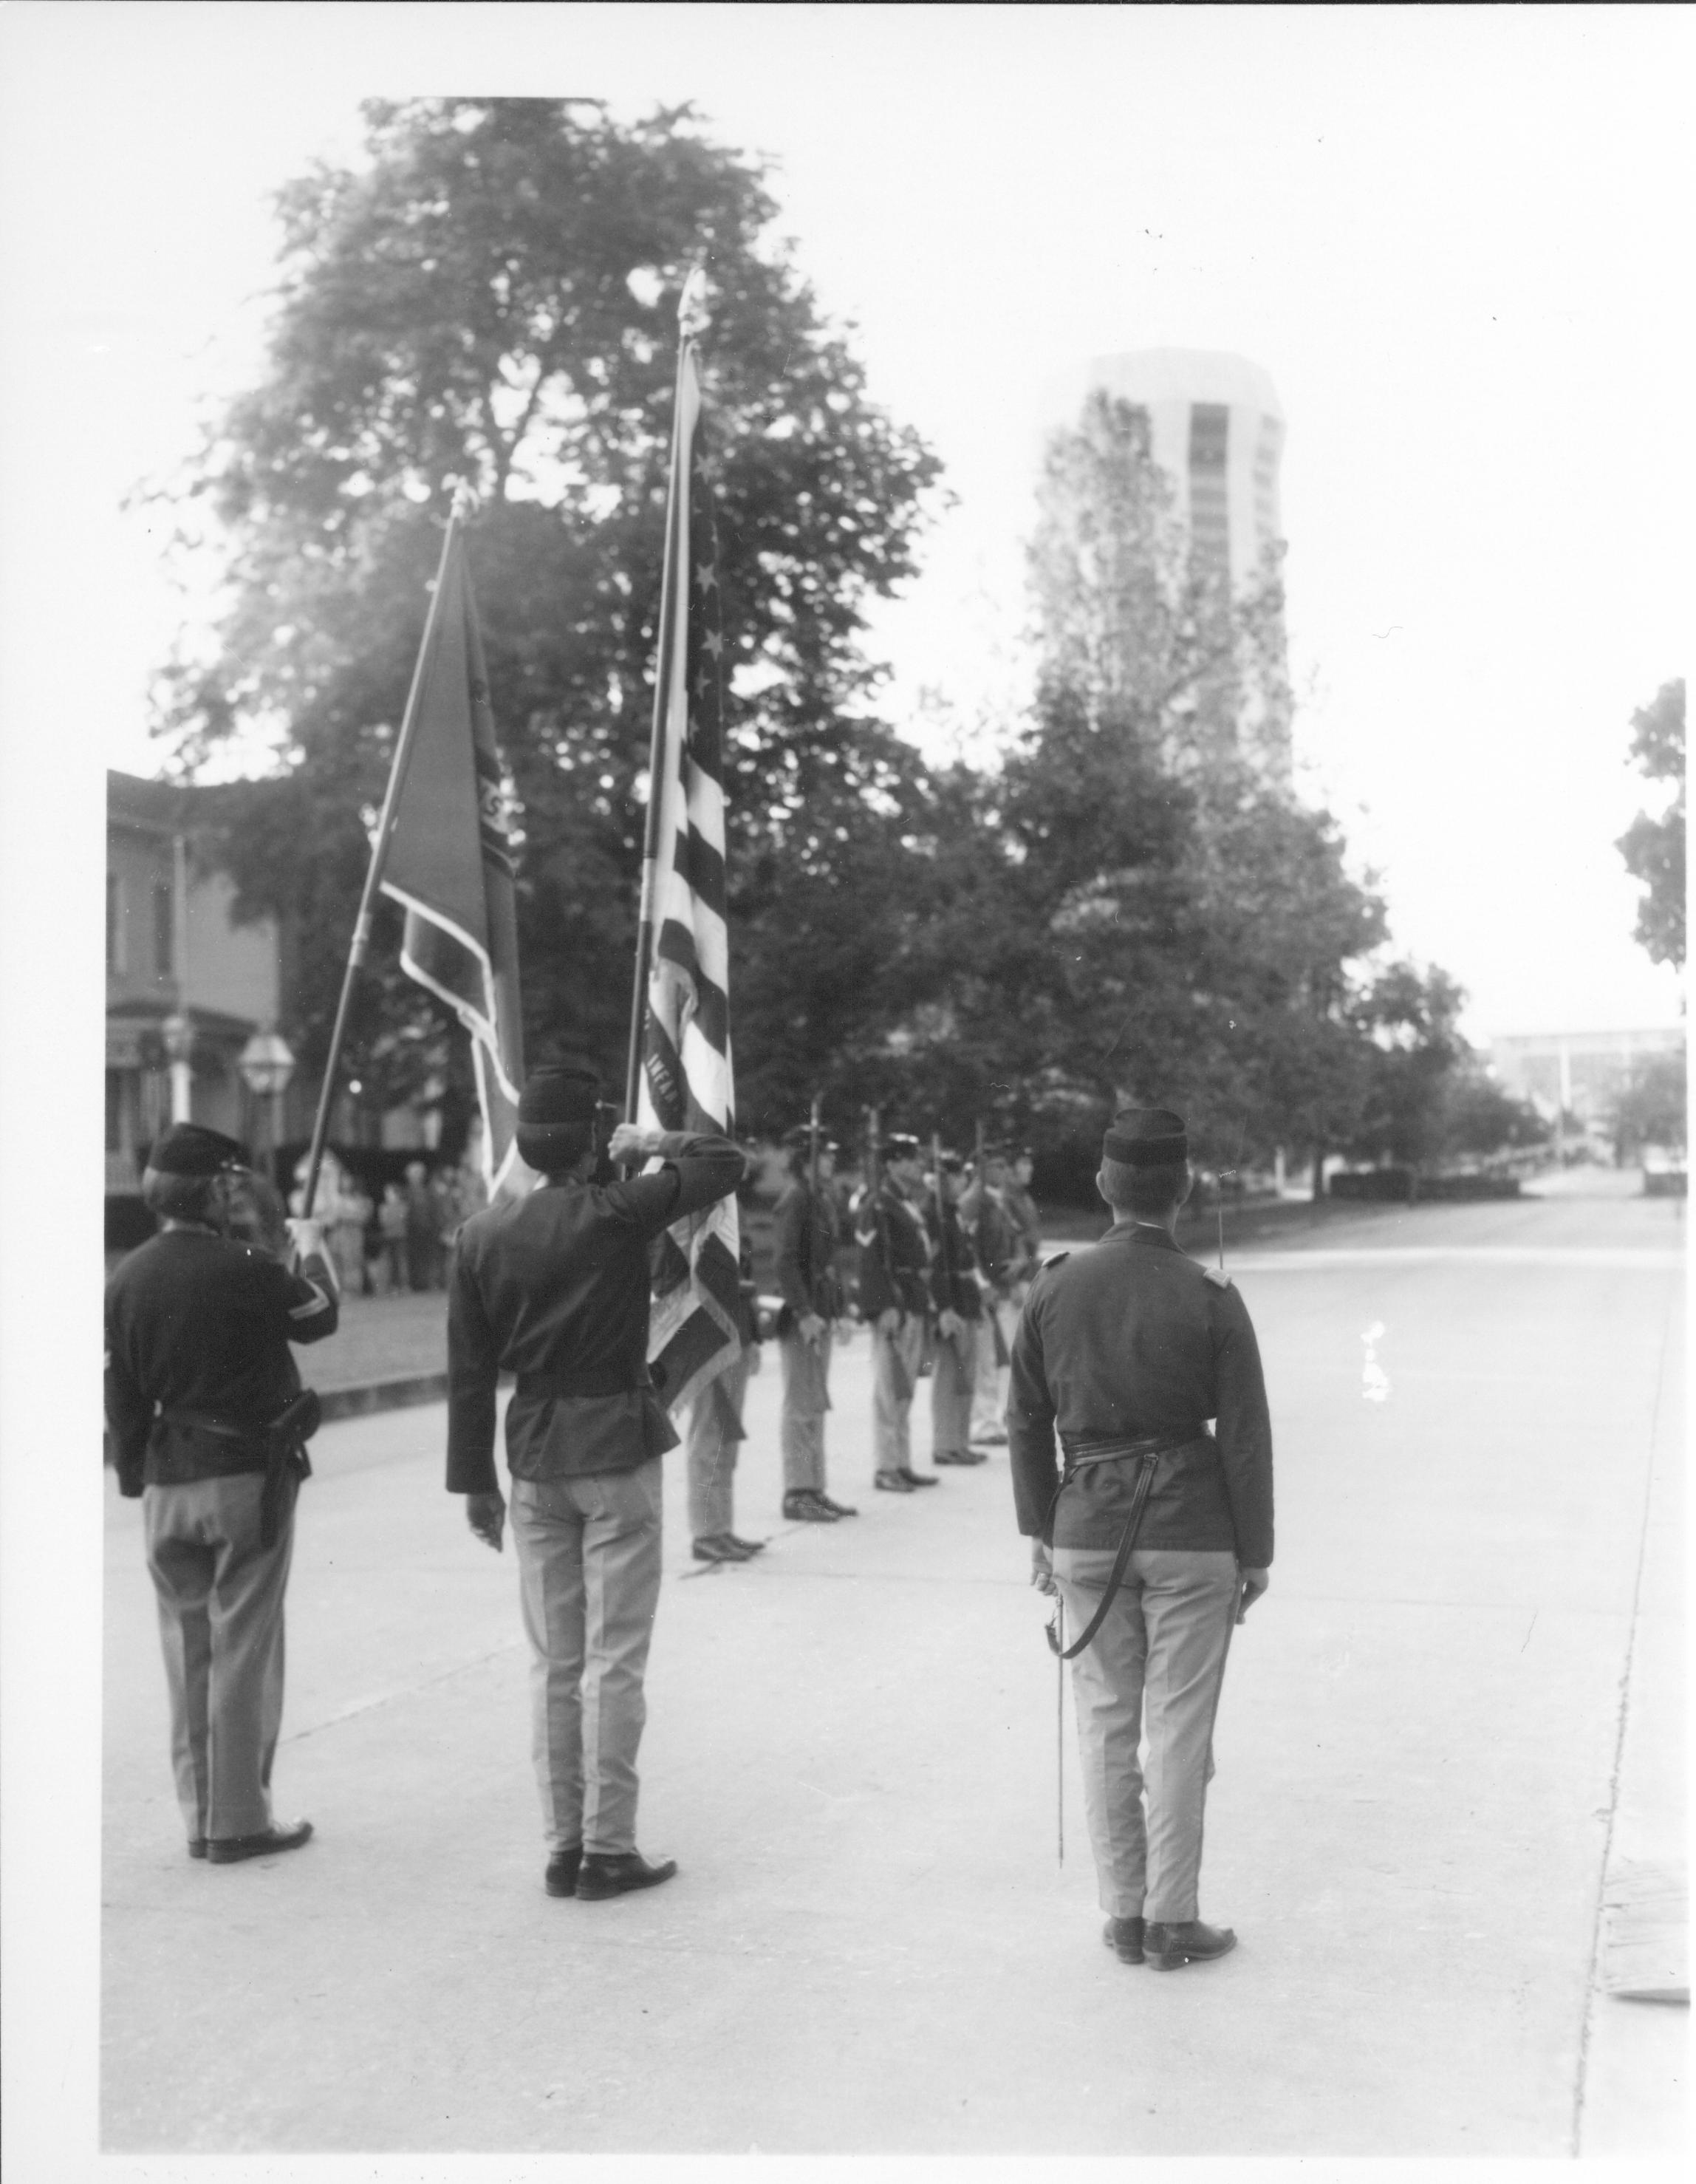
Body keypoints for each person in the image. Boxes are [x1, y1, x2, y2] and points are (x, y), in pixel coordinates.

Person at [445, 1065, 742, 1902]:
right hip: (612, 1444)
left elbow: (469, 1374)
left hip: (533, 1455)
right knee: (614, 1661)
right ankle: (609, 1846)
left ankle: (561, 1842)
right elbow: (724, 1160)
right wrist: (652, 1142)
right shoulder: (616, 1212)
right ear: (588, 1140)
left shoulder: (479, 1234)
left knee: (552, 1662)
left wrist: (475, 1483)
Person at [1008, 1107, 1273, 1973]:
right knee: (1180, 1729)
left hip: (1084, 1528)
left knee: (1105, 1722)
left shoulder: (1052, 1287)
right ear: (1185, 1187)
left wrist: (1041, 1531)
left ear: (1100, 1185)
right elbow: (1243, 1435)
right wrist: (1255, 1549)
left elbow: (1024, 1421)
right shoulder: (1212, 1296)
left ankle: (1123, 1913)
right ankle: (1172, 1920)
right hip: (1193, 1535)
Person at [104, 1122, 339, 1863]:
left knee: (187, 1649)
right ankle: (239, 1820)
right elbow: (320, 1318)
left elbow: (121, 1394)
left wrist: (135, 1474)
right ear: (213, 1190)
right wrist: (309, 1244)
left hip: (170, 1477)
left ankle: (200, 1815)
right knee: (243, 1645)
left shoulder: (125, 1277)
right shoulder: (250, 1265)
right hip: (245, 1476)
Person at [772, 1122, 856, 1522]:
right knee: (802, 1405)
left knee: (815, 1404)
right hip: (803, 1315)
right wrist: (805, 1312)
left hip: (819, 1310)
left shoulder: (817, 1197)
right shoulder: (796, 1198)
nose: (831, 1160)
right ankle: (797, 1491)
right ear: (805, 1159)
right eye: (824, 1154)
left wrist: (836, 1311)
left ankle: (814, 1486)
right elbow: (786, 1261)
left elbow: (827, 1264)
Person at [853, 1130, 939, 1493]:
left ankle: (902, 1461)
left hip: (913, 1301)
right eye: (909, 1158)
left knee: (904, 1390)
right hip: (895, 1304)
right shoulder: (878, 1204)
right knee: (889, 1389)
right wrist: (884, 1305)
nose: (918, 1164)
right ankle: (886, 1466)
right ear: (891, 1164)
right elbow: (869, 1260)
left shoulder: (905, 1201)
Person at [683, 1207, 768, 1564]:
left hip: (736, 1332)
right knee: (708, 1436)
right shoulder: (694, 1215)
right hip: (707, 1335)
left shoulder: (730, 1212)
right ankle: (706, 1533)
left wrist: (754, 1338)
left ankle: (721, 1527)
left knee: (725, 1439)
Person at [926, 1149, 986, 1466]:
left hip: (966, 1300)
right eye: (958, 1175)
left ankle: (959, 1441)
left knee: (966, 1377)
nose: (964, 1181)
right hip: (951, 1302)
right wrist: (943, 1308)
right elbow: (934, 1266)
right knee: (949, 1377)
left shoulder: (952, 1212)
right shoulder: (933, 1214)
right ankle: (945, 1443)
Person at [962, 1143, 1021, 1447]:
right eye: (994, 1165)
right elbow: (966, 1248)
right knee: (985, 1359)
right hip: (984, 1291)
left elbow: (1015, 1236)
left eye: (1002, 1165)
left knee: (1001, 1359)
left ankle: (994, 1417)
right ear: (980, 1170)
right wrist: (981, 1283)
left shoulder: (998, 1201)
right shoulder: (975, 1202)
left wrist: (1019, 1261)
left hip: (1001, 1289)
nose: (1001, 1170)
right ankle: (983, 1423)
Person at [404, 1158, 444, 1291]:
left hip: (427, 1229)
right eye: (414, 1173)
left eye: (419, 1173)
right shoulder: (406, 1192)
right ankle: (415, 1284)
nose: (417, 1177)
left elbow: (434, 1210)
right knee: (413, 1259)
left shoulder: (428, 1191)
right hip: (412, 1231)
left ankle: (426, 1283)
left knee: (427, 1258)